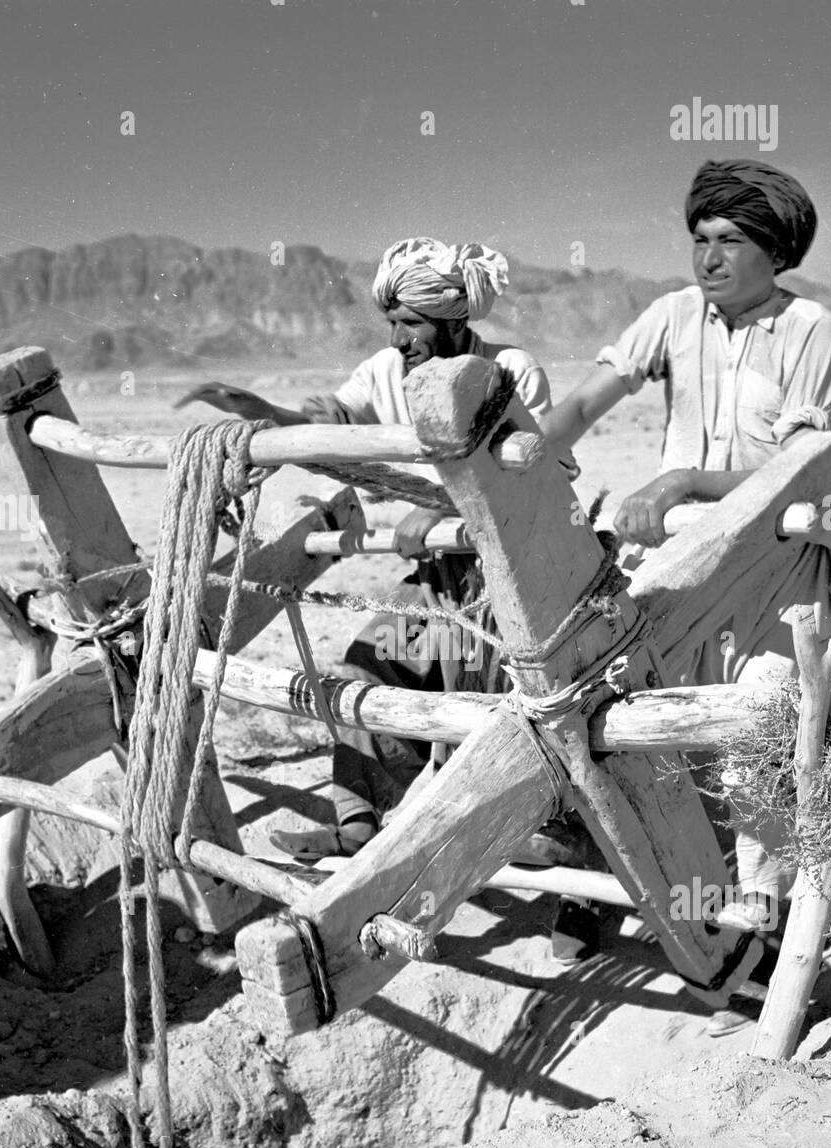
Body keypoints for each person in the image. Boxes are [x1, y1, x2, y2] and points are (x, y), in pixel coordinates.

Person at [542, 159, 831, 1024]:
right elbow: (585, 399)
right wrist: (528, 469)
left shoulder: (814, 329)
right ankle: (620, 887)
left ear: (777, 249)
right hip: (677, 567)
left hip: (777, 567)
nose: (710, 258)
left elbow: (800, 466)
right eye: (701, 240)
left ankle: (755, 941)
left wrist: (685, 482)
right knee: (628, 718)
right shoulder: (673, 318)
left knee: (755, 732)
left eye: (732, 240)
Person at [179, 237, 566, 861]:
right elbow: (333, 419)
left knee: (517, 708)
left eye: (411, 323)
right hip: (439, 577)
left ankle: (561, 865)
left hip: (517, 579)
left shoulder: (512, 371)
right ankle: (356, 823)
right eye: (391, 323)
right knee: (367, 672)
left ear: (453, 320)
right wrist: (262, 413)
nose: (398, 339)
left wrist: (440, 505)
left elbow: (532, 480)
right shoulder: (388, 372)